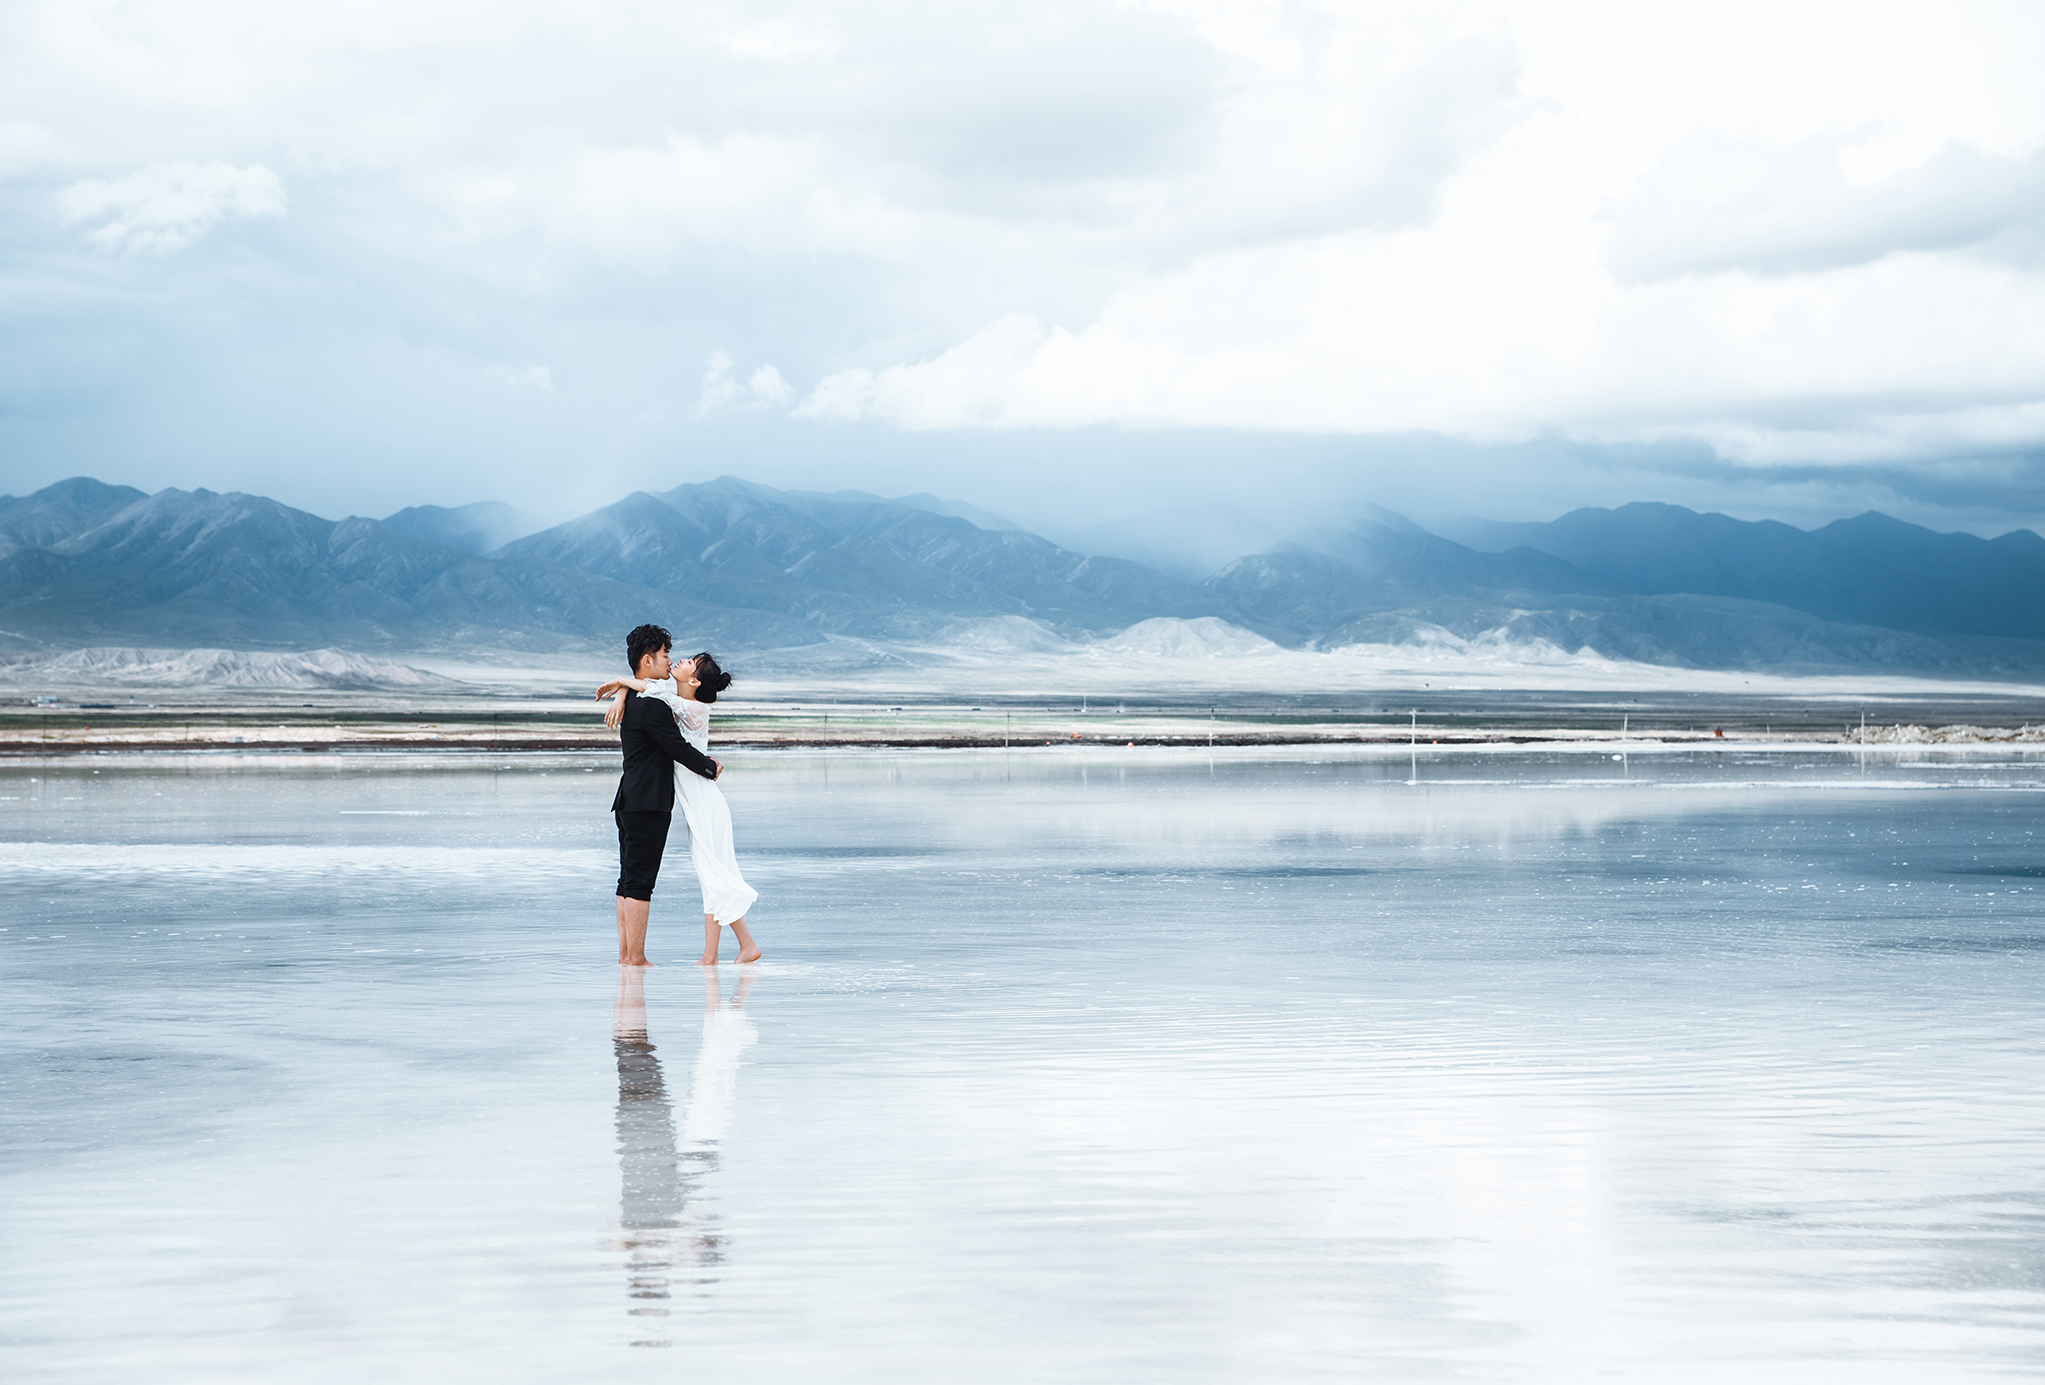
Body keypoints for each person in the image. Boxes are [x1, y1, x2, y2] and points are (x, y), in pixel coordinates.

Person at [598, 650, 763, 966]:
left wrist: (622, 683)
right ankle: (713, 955)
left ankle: (745, 945)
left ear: (695, 680)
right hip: (695, 799)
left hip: (704, 801)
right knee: (709, 874)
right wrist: (622, 692)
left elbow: (649, 689)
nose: (679, 661)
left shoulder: (691, 707)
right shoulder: (679, 699)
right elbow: (648, 688)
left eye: (689, 663)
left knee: (714, 873)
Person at [608, 624, 721, 968]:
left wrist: (622, 689)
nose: (670, 660)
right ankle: (636, 957)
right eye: (665, 654)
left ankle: (627, 956)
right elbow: (678, 748)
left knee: (627, 880)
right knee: (640, 883)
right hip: (649, 803)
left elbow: (650, 688)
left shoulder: (637, 702)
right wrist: (709, 767)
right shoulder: (653, 707)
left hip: (628, 799)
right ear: (648, 659)